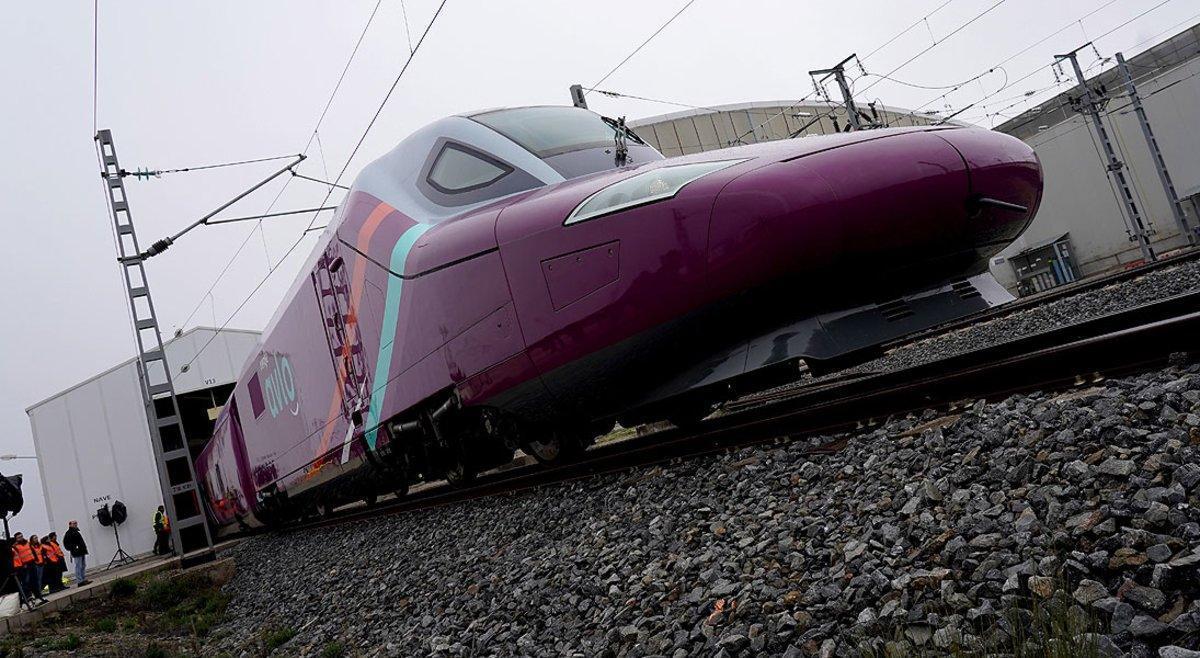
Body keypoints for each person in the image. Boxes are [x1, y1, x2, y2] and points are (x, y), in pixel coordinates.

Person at [62, 520, 90, 587]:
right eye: (74, 523)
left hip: (81, 551)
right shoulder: (69, 533)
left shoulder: (76, 532)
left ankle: (83, 579)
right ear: (70, 525)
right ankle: (80, 581)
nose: (75, 524)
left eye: (76, 523)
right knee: (78, 566)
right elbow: (66, 543)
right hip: (76, 552)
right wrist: (74, 548)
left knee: (83, 565)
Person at [9, 532, 34, 604]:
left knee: (25, 582)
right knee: (23, 583)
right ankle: (24, 597)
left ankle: (27, 596)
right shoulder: (12, 549)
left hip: (20, 566)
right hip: (17, 568)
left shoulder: (14, 548)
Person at [26, 535, 47, 603]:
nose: (36, 539)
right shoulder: (30, 546)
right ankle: (37, 593)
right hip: (36, 564)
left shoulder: (39, 545)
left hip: (41, 563)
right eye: (35, 538)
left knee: (40, 579)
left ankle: (39, 592)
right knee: (36, 579)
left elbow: (42, 553)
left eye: (37, 538)